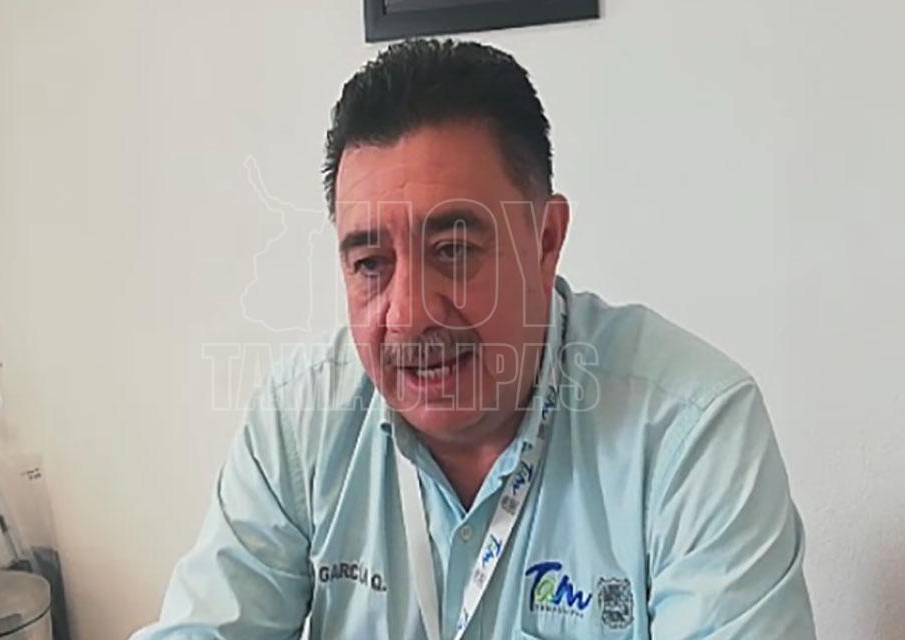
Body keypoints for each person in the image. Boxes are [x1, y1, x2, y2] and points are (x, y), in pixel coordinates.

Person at [131, 38, 816, 639]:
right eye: (370, 264)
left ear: (545, 241)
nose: (409, 316)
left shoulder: (692, 432)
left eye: (453, 250)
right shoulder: (299, 419)